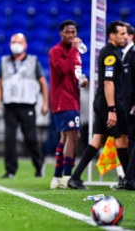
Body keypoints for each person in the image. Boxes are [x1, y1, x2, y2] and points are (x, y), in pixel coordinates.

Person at [68, 20, 129, 190]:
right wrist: (112, 110)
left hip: (102, 101)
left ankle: (75, 177)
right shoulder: (111, 54)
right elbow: (109, 83)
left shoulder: (110, 52)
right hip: (109, 102)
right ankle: (129, 180)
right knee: (121, 139)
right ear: (112, 35)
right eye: (122, 34)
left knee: (97, 140)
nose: (125, 37)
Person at [0, 33, 48, 179]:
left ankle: (39, 166)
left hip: (27, 105)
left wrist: (46, 103)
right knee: (9, 139)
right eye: (14, 41)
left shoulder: (33, 61)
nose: (16, 44)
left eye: (19, 41)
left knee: (30, 138)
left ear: (25, 45)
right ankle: (10, 170)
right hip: (10, 106)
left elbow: (43, 82)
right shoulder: (4, 61)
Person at [49, 20, 88, 189]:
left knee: (66, 137)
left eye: (74, 32)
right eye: (68, 32)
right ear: (61, 33)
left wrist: (82, 81)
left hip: (73, 98)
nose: (71, 35)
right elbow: (63, 69)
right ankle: (67, 176)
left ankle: (57, 178)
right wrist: (73, 49)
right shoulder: (55, 51)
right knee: (73, 136)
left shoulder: (76, 53)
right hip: (63, 100)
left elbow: (72, 73)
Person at [117, 23, 135, 190]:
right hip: (126, 106)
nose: (121, 37)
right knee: (129, 141)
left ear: (130, 36)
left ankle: (130, 179)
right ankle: (129, 178)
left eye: (124, 34)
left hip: (132, 105)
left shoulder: (133, 54)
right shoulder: (124, 54)